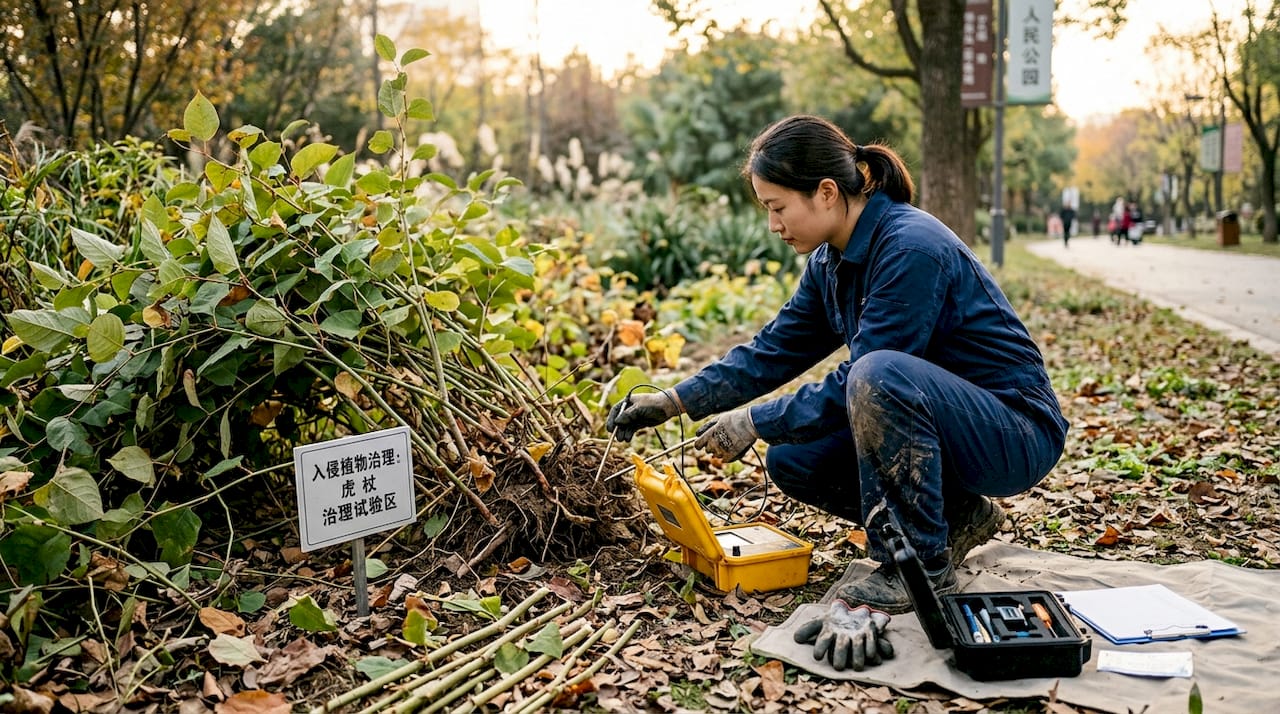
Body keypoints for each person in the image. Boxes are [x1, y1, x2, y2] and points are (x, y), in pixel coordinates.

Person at [606, 115, 1069, 630]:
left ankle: (920, 567)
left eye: (777, 207)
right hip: (945, 428)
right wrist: (675, 400)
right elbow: (772, 350)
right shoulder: (830, 262)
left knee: (876, 372)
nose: (773, 225)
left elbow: (870, 381)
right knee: (794, 460)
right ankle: (957, 519)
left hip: (1013, 431)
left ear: (826, 192)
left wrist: (754, 421)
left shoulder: (910, 247)